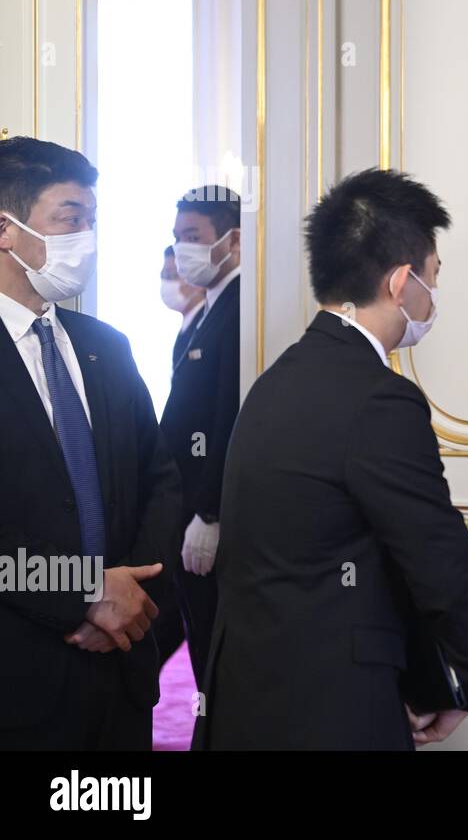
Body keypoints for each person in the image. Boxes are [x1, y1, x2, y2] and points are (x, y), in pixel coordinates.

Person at [194, 167, 468, 750]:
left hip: (247, 693)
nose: (433, 294)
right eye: (433, 276)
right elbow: (439, 560)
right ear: (403, 282)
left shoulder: (276, 380)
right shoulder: (380, 397)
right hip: (332, 702)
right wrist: (457, 685)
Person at [0, 136, 181, 749]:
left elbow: (161, 479)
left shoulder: (108, 346)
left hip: (120, 672)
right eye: (70, 219)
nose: (87, 238)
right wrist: (84, 593)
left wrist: (129, 598)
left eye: (92, 220)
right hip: (20, 677)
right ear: (6, 229)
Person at [158, 186, 241, 686]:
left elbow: (228, 415)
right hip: (182, 508)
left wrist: (209, 512)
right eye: (177, 237)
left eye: (193, 236)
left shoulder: (238, 311)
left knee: (215, 659)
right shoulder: (207, 310)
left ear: (232, 241)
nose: (183, 248)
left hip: (207, 515)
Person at [152, 244, 206, 670]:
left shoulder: (213, 326)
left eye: (178, 271)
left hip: (194, 501)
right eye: (166, 271)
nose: (171, 281)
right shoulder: (186, 328)